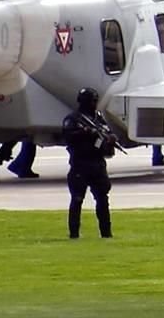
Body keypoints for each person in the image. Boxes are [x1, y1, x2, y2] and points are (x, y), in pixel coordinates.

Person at [62, 88, 116, 239]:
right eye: (91, 101)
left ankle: (106, 233)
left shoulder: (98, 117)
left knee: (102, 199)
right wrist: (85, 132)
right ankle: (74, 233)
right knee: (77, 199)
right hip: (80, 164)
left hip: (97, 164)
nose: (94, 104)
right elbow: (68, 136)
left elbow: (108, 132)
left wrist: (109, 138)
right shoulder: (73, 119)